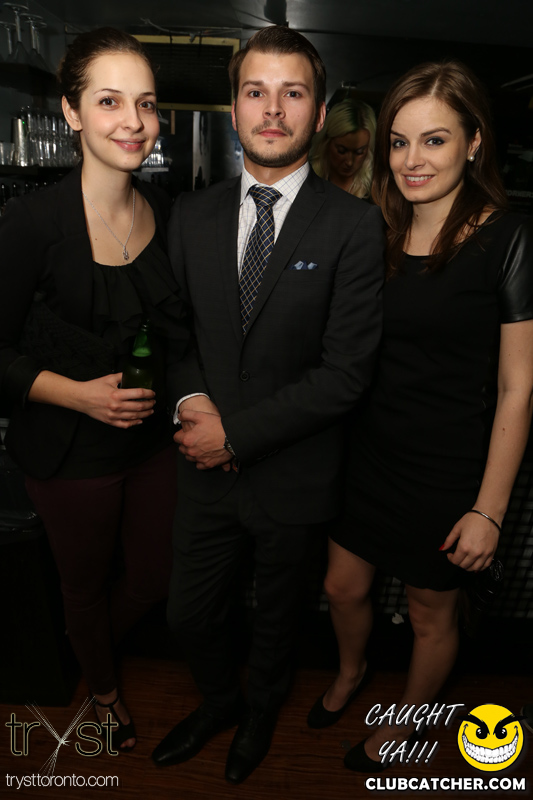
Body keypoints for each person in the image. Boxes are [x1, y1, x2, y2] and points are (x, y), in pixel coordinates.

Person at [151, 25, 384, 784]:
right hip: (203, 469)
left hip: (294, 473)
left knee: (278, 623)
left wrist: (236, 435)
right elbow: (175, 336)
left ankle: (258, 715)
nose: (273, 109)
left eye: (293, 93)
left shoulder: (354, 225)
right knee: (188, 614)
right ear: (234, 108)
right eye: (256, 91)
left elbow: (345, 373)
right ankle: (219, 701)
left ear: (317, 111)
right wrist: (193, 403)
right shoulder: (190, 215)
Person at [307, 60, 533, 772]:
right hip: (367, 452)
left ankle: (406, 721)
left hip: (446, 468)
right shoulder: (373, 228)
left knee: (431, 614)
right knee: (341, 587)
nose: (412, 160)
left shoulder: (508, 238)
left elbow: (518, 386)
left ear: (473, 142)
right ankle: (350, 673)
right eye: (399, 142)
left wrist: (488, 511)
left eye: (434, 140)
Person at [0, 28, 187, 751]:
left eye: (146, 103)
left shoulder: (167, 211)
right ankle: (103, 691)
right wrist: (80, 395)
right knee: (81, 584)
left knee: (154, 575)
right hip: (68, 450)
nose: (133, 122)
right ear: (72, 112)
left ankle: (81, 646)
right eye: (109, 102)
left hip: (150, 444)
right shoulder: (30, 223)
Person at [310, 99, 376, 198]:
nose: (349, 162)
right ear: (326, 143)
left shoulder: (377, 194)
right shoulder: (306, 183)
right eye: (341, 151)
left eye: (359, 152)